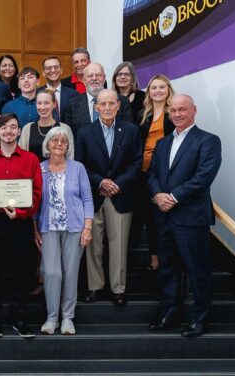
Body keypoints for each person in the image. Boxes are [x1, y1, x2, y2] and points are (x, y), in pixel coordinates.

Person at [147, 94, 222, 338]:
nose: (177, 114)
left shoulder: (209, 141)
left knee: (197, 270)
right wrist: (158, 195)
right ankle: (171, 312)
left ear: (194, 110)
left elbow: (203, 177)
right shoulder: (163, 143)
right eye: (173, 110)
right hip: (164, 217)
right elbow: (152, 175)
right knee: (167, 269)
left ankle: (200, 319)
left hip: (190, 218)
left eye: (182, 110)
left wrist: (173, 197)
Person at [0, 113, 42, 338]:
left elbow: (36, 193)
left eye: (13, 127)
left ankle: (20, 320)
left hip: (20, 223)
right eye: (4, 128)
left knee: (21, 273)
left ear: (18, 131)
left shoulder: (30, 160)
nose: (8, 132)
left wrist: (22, 212)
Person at [75, 89, 142, 306]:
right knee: (93, 245)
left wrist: (117, 184)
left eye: (111, 103)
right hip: (93, 196)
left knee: (119, 245)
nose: (107, 108)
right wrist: (100, 182)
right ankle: (95, 287)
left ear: (118, 106)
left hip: (121, 196)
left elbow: (136, 162)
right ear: (95, 107)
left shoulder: (131, 131)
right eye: (102, 104)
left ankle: (118, 289)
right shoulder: (85, 132)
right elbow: (80, 163)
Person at [33, 127, 93, 335]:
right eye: (54, 140)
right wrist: (35, 230)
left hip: (75, 227)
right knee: (51, 272)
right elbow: (34, 202)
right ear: (47, 144)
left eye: (63, 141)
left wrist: (87, 227)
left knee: (70, 272)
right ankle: (52, 318)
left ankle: (67, 317)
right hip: (48, 227)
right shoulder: (39, 168)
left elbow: (87, 199)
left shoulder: (78, 168)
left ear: (68, 146)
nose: (59, 143)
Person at [132, 75, 175, 271]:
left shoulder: (173, 114)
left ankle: (166, 258)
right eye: (153, 88)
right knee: (148, 217)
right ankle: (154, 258)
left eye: (161, 87)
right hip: (143, 172)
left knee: (161, 218)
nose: (157, 91)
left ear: (168, 90)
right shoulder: (143, 114)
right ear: (148, 91)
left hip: (164, 173)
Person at [61, 62, 133, 138]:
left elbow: (129, 132)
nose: (94, 78)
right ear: (84, 80)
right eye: (90, 76)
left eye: (98, 75)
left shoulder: (122, 101)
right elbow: (68, 136)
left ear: (104, 78)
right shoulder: (71, 104)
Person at [19, 89, 75, 162]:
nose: (42, 107)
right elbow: (21, 157)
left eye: (46, 103)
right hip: (32, 172)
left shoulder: (65, 128)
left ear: (54, 104)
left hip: (59, 172)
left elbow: (70, 157)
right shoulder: (27, 129)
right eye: (39, 103)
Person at [37, 56, 78, 121]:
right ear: (43, 73)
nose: (53, 70)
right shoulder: (37, 93)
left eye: (56, 67)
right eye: (48, 68)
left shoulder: (73, 94)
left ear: (61, 70)